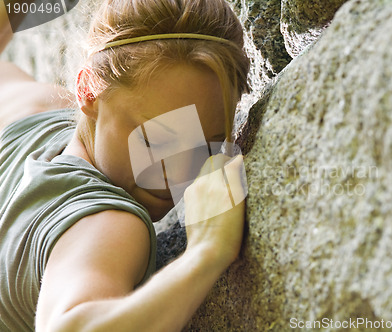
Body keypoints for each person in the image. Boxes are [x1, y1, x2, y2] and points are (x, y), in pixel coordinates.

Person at [0, 0, 250, 331]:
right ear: (87, 90)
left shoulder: (28, 106)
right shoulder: (110, 224)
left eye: (206, 147)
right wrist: (207, 252)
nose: (177, 176)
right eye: (157, 141)